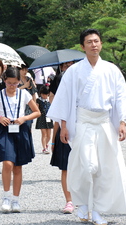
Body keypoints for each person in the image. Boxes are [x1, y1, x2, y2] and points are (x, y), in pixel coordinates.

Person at [48, 28, 126, 224]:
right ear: (82, 47)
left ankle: (98, 210)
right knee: (86, 165)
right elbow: (65, 98)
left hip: (104, 122)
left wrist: (122, 122)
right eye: (89, 42)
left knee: (104, 168)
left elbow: (120, 96)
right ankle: (83, 204)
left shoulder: (112, 70)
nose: (94, 45)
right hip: (83, 121)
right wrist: (64, 125)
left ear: (101, 43)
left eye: (96, 41)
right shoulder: (74, 71)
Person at [0, 66, 40, 213]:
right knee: (7, 163)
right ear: (4, 81)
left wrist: (24, 118)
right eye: (9, 83)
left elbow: (37, 112)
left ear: (19, 82)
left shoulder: (24, 95)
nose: (11, 86)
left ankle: (16, 199)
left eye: (15, 83)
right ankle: (6, 196)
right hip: (5, 130)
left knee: (18, 166)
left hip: (20, 129)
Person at [49, 60, 76, 215]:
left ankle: (82, 198)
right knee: (65, 168)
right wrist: (53, 140)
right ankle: (69, 200)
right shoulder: (61, 80)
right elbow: (57, 121)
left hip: (83, 130)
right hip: (65, 131)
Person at [35, 85, 53, 154]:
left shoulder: (50, 100)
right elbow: (36, 108)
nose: (44, 96)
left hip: (49, 118)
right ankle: (44, 148)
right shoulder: (38, 100)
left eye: (45, 94)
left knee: (49, 135)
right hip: (41, 118)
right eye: (42, 94)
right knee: (44, 134)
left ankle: (46, 144)